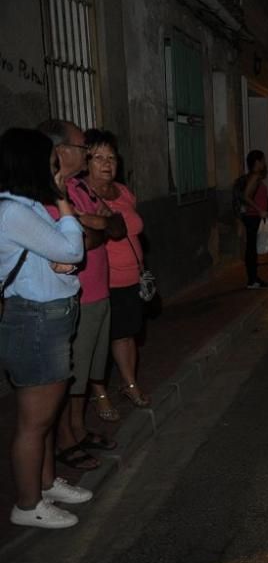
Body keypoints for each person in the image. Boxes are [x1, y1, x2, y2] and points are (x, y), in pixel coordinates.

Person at [0, 127, 92, 529]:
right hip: (35, 320)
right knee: (34, 421)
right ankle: (27, 503)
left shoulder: (24, 206)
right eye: (51, 157)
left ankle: (46, 483)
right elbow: (72, 246)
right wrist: (61, 196)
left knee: (47, 415)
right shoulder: (14, 210)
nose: (57, 162)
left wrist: (61, 260)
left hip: (48, 315)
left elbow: (60, 253)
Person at [39, 120, 126, 471]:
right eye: (81, 147)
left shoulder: (80, 189)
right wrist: (94, 224)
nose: (87, 154)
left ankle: (77, 428)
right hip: (77, 294)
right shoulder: (49, 191)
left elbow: (115, 226)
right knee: (70, 373)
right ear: (60, 150)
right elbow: (83, 242)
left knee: (89, 367)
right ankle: (65, 439)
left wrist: (89, 220)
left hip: (99, 290)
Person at [83, 130, 153, 411]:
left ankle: (129, 383)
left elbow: (133, 232)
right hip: (102, 279)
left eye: (111, 157)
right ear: (85, 160)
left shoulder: (124, 192)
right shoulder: (82, 195)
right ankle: (99, 394)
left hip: (131, 278)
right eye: (98, 157)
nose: (106, 163)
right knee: (100, 342)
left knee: (127, 334)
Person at [237, 150, 268, 289]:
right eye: (262, 160)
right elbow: (246, 196)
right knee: (251, 249)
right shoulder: (255, 177)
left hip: (252, 216)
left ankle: (254, 278)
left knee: (252, 248)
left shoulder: (255, 176)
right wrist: (259, 210)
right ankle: (252, 280)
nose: (264, 163)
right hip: (252, 217)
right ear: (257, 162)